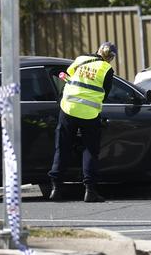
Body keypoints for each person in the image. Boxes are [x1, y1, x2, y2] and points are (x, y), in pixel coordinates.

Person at [48, 42, 117, 203]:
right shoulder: (107, 69)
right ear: (111, 58)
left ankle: (56, 189)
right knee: (90, 150)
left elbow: (68, 76)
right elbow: (105, 93)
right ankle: (90, 191)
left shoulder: (81, 59)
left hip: (69, 108)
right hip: (89, 113)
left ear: (98, 50)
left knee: (62, 147)